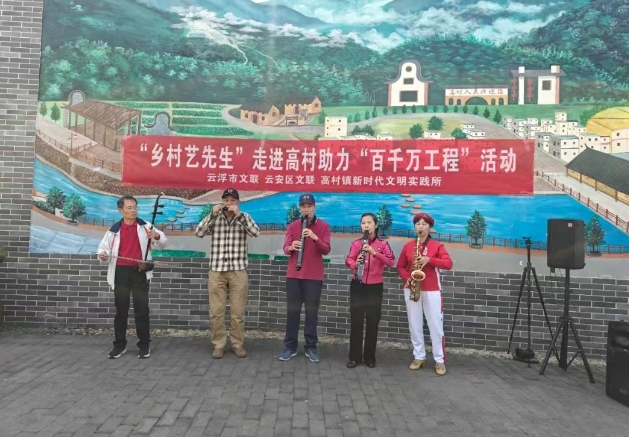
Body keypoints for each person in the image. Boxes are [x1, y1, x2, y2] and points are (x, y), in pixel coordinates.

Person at [98, 195, 168, 359]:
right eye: (129, 208)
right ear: (120, 210)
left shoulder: (146, 226)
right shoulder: (114, 230)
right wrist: (103, 255)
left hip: (140, 272)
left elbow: (163, 243)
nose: (133, 210)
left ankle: (144, 346)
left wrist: (156, 236)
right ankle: (119, 345)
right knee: (121, 311)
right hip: (120, 272)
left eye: (135, 207)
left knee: (142, 310)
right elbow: (103, 249)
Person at [195, 188, 260, 359]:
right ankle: (218, 344)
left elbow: (255, 232)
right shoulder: (216, 217)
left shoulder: (244, 217)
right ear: (222, 202)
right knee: (216, 312)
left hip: (238, 270)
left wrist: (239, 215)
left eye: (232, 201)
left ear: (237, 202)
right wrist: (211, 215)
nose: (229, 204)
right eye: (226, 200)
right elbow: (198, 232)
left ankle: (237, 344)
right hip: (217, 271)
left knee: (238, 312)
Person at [397, 212, 453, 376]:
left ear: (430, 228)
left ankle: (439, 360)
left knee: (435, 325)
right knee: (414, 324)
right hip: (412, 287)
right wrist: (407, 278)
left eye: (424, 224)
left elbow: (448, 264)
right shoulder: (408, 246)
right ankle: (419, 356)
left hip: (432, 289)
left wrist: (430, 260)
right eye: (418, 224)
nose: (420, 227)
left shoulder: (437, 246)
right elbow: (400, 266)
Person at [279, 193, 331, 363]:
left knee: (311, 313)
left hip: (314, 277)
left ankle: (311, 347)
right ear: (300, 208)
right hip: (294, 276)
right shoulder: (293, 226)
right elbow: (285, 248)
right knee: (292, 312)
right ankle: (290, 346)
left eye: (309, 206)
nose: (306, 209)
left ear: (314, 207)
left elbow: (326, 250)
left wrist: (315, 238)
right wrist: (291, 247)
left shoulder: (323, 226)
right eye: (303, 206)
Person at [344, 213, 396, 368]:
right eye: (363, 223)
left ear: (376, 225)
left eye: (369, 222)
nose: (366, 225)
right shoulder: (356, 244)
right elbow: (349, 260)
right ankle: (354, 357)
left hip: (375, 287)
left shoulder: (383, 244)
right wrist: (355, 263)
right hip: (358, 286)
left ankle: (369, 357)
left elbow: (391, 262)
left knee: (373, 322)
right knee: (356, 322)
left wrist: (375, 253)